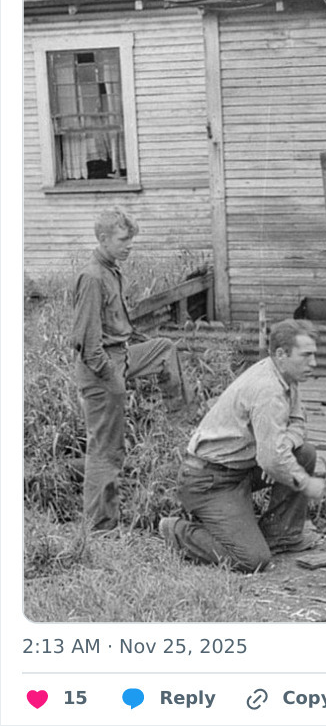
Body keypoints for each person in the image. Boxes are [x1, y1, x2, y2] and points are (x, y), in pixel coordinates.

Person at [158, 319, 326, 572]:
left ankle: (282, 535)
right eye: (306, 355)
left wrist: (282, 448)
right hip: (208, 481)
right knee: (253, 560)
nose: (313, 363)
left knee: (303, 454)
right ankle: (177, 530)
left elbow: (298, 422)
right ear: (281, 354)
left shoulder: (285, 376)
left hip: (241, 467)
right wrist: (303, 481)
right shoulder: (268, 390)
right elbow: (271, 459)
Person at [72, 207, 191, 532]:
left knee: (164, 349)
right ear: (103, 239)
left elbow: (118, 327)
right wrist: (114, 381)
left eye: (131, 240)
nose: (129, 246)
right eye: (124, 240)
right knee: (107, 449)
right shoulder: (93, 277)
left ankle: (180, 421)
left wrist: (130, 350)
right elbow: (86, 342)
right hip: (101, 370)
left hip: (120, 356)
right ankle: (100, 527)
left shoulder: (112, 270)